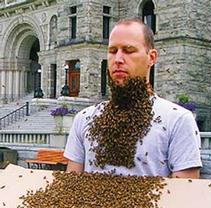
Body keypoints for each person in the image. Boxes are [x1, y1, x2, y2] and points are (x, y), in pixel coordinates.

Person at [64, 18, 202, 178]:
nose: (118, 59)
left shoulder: (178, 120)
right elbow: (71, 186)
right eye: (113, 51)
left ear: (151, 57)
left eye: (128, 50)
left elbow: (185, 195)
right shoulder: (84, 119)